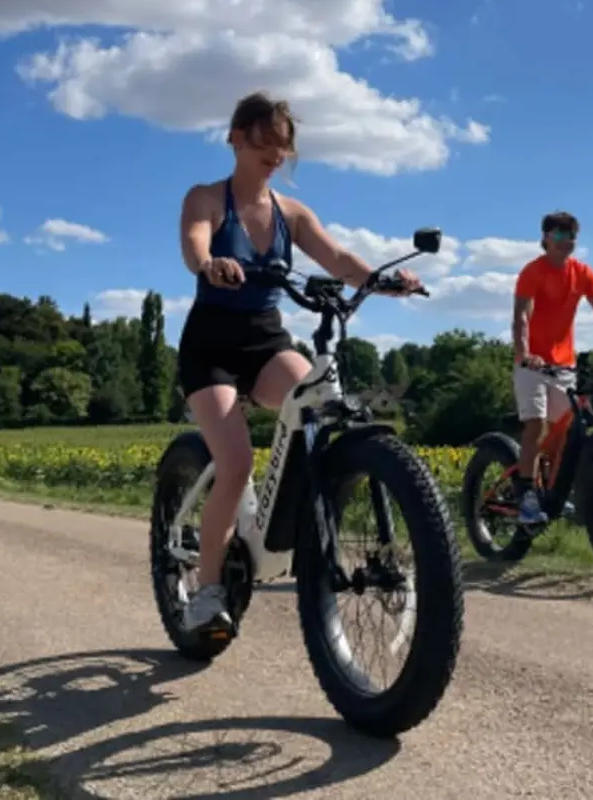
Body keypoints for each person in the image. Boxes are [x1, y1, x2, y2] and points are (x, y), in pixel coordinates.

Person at [177, 91, 421, 638]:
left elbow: (336, 258)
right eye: (264, 142)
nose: (275, 155)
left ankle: (289, 527)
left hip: (264, 340)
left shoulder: (291, 214)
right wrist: (209, 261)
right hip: (210, 347)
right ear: (235, 138)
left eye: (283, 147)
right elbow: (195, 240)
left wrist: (383, 282)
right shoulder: (208, 198)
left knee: (319, 402)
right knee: (236, 462)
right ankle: (208, 588)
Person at [511, 211, 593, 525]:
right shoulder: (532, 272)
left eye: (572, 237)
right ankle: (525, 497)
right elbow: (521, 316)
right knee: (536, 426)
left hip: (564, 364)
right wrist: (525, 353)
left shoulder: (582, 273)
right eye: (561, 236)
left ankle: (551, 490)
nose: (568, 242)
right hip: (531, 364)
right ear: (546, 238)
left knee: (566, 432)